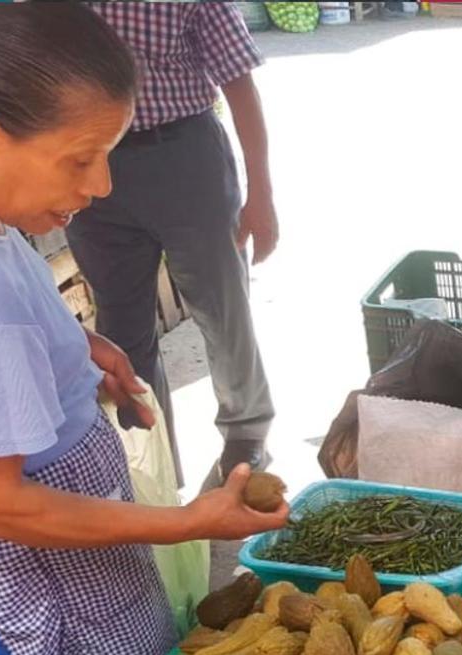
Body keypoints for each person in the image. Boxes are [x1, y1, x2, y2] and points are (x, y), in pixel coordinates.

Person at [0, 2, 287, 655]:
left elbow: (21, 318)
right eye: (81, 158)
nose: (102, 187)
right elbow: (5, 504)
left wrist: (79, 349)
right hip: (54, 597)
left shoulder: (1, 221)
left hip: (88, 560)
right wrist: (186, 521)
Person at [66, 1, 278, 485]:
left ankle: (246, 430)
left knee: (222, 307)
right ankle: (150, 453)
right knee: (120, 325)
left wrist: (260, 194)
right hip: (88, 158)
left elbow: (239, 81)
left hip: (184, 155)